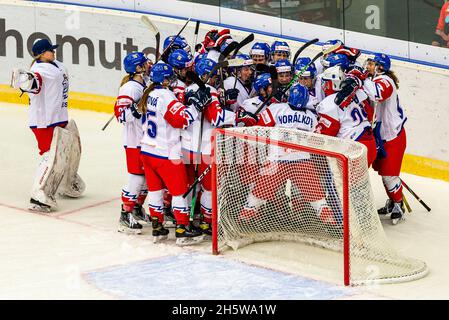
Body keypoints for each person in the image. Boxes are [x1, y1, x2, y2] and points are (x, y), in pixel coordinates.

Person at [238, 84, 337, 226]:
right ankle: (332, 226)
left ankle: (243, 222)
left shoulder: (276, 109)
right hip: (302, 161)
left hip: (276, 161)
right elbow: (316, 140)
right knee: (318, 200)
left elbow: (260, 129)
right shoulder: (311, 117)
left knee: (257, 196)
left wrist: (253, 119)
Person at [137, 62, 211, 244]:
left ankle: (158, 227)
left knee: (155, 191)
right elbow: (181, 120)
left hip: (147, 151)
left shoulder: (149, 94)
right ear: (164, 79)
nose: (172, 79)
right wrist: (196, 107)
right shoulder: (166, 96)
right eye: (169, 77)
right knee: (179, 192)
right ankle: (182, 229)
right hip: (166, 154)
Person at [13, 38, 85, 213]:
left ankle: (64, 183)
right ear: (41, 54)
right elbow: (34, 84)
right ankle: (37, 195)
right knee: (50, 156)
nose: (54, 52)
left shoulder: (56, 64)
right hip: (44, 122)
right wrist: (24, 81)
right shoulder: (38, 70)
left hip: (59, 117)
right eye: (50, 50)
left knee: (65, 151)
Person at [363, 53, 408, 224]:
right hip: (384, 135)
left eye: (372, 64)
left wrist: (361, 79)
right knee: (385, 174)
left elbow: (377, 94)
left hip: (393, 137)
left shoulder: (385, 81)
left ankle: (398, 205)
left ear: (380, 67)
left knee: (389, 175)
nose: (369, 66)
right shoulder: (378, 79)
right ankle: (392, 201)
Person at [114, 52, 152, 234]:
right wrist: (136, 109)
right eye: (144, 63)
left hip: (144, 139)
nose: (148, 65)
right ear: (138, 67)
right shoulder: (129, 88)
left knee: (145, 178)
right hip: (134, 141)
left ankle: (136, 208)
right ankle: (125, 213)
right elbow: (121, 115)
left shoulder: (141, 83)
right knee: (137, 177)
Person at [315, 66, 377, 167]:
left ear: (333, 83)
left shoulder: (329, 103)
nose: (324, 86)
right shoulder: (357, 92)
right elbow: (370, 114)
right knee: (359, 182)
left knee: (344, 182)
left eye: (326, 82)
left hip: (354, 149)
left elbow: (326, 135)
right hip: (370, 143)